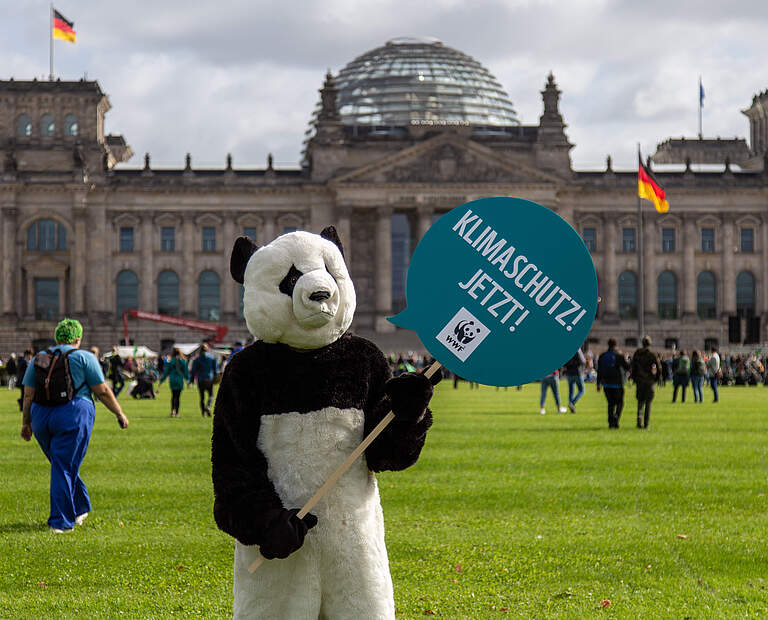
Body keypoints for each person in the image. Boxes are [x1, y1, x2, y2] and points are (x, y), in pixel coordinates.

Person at [19, 318, 129, 533]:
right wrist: (119, 413)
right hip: (73, 413)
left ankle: (80, 507)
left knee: (62, 464)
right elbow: (103, 391)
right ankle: (61, 522)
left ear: (56, 336)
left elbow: (28, 395)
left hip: (41, 416)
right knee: (64, 465)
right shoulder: (84, 357)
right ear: (78, 338)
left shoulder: (38, 358)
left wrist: (26, 422)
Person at [596, 338, 630, 428]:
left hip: (606, 383)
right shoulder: (618, 356)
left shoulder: (602, 356)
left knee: (610, 404)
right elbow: (627, 367)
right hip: (617, 383)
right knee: (620, 403)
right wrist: (625, 358)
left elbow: (599, 371)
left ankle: (611, 423)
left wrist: (598, 384)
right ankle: (616, 417)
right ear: (616, 345)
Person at [631, 336, 659, 429]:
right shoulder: (652, 354)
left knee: (640, 402)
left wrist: (634, 378)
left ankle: (639, 421)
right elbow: (659, 368)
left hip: (639, 380)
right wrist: (656, 378)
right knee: (648, 403)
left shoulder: (637, 354)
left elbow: (633, 367)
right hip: (649, 381)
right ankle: (646, 423)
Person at [159, 347, 189, 417]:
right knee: (178, 397)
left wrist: (161, 380)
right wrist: (188, 380)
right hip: (179, 380)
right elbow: (186, 372)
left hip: (172, 380)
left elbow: (166, 372)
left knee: (173, 396)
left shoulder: (171, 361)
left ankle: (172, 411)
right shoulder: (183, 361)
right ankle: (177, 413)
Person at [190, 343, 218, 417]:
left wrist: (191, 379)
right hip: (209, 378)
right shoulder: (212, 358)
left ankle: (203, 413)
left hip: (201, 379)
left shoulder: (197, 359)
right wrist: (216, 378)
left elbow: (194, 370)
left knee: (202, 397)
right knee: (211, 395)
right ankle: (208, 407)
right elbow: (215, 370)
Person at [563, 347, 586, 413]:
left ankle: (572, 407)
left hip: (569, 373)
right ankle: (572, 403)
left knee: (571, 391)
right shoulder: (577, 349)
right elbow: (583, 361)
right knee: (582, 390)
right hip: (577, 372)